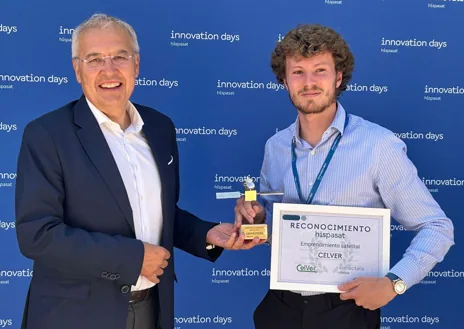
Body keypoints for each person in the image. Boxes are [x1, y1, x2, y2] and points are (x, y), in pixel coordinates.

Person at [14, 13, 263, 329]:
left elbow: (159, 213)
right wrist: (132, 259)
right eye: (94, 60)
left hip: (151, 310)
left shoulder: (159, 128)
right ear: (77, 70)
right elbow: (36, 234)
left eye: (120, 57)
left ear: (136, 65)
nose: (109, 69)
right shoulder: (47, 134)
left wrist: (209, 234)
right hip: (74, 316)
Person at [234, 24, 454, 329]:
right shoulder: (276, 147)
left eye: (320, 70)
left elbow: (437, 227)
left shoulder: (378, 146)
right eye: (298, 72)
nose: (309, 82)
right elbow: (278, 228)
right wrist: (256, 221)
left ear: (338, 77)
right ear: (284, 81)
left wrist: (394, 284)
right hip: (281, 307)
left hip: (346, 310)